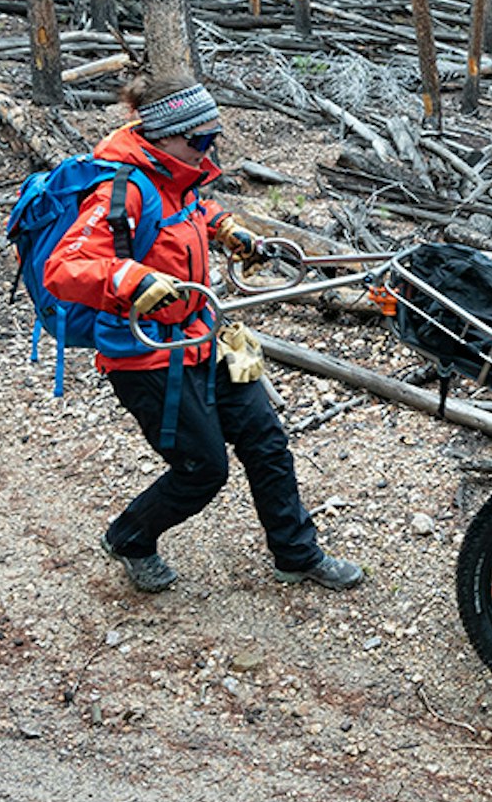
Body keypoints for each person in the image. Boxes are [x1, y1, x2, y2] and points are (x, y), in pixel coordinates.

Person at [44, 75, 363, 596]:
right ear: (166, 136)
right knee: (201, 468)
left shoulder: (177, 177)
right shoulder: (119, 191)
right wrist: (131, 278)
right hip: (146, 355)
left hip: (202, 337)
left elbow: (194, 209)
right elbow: (66, 266)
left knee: (265, 439)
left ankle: (296, 553)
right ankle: (130, 538)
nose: (208, 150)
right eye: (201, 141)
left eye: (213, 139)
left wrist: (228, 230)